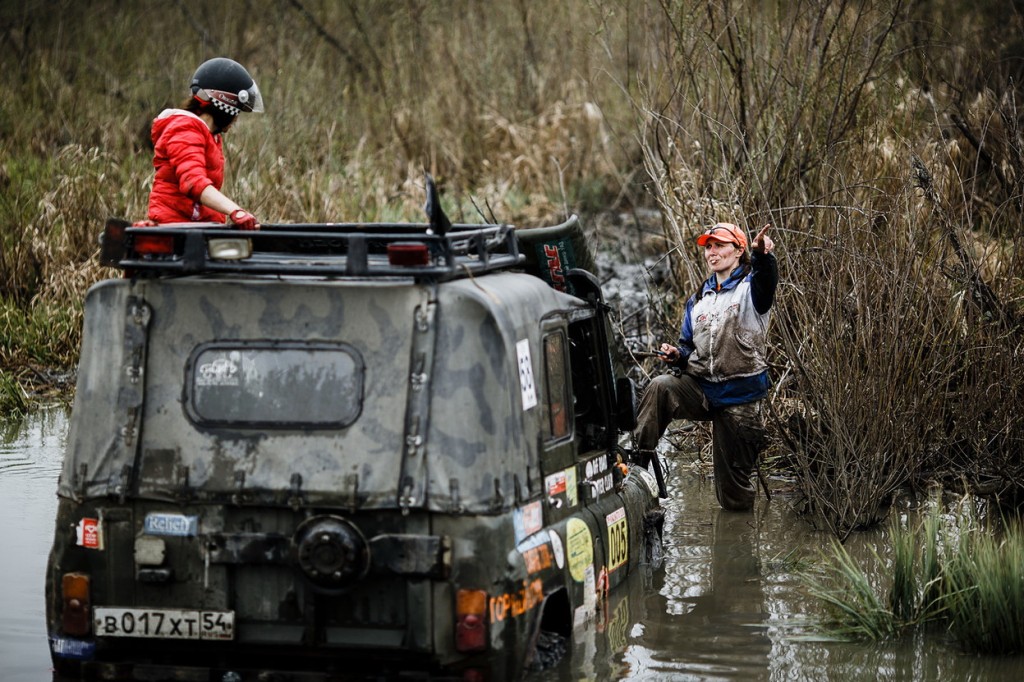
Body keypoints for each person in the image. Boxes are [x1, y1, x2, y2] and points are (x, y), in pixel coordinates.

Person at [633, 222, 778, 511]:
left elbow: (768, 278)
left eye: (720, 245)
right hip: (701, 389)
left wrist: (763, 255)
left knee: (733, 496)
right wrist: (677, 354)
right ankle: (634, 465)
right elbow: (687, 345)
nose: (712, 252)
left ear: (738, 251)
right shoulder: (698, 300)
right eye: (708, 247)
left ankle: (739, 547)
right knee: (661, 387)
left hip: (741, 398)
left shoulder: (753, 288)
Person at [146, 57, 263, 230]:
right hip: (174, 230)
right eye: (236, 111)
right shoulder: (184, 130)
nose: (236, 119)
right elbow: (194, 182)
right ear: (224, 105)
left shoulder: (209, 135)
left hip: (198, 227)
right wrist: (236, 211)